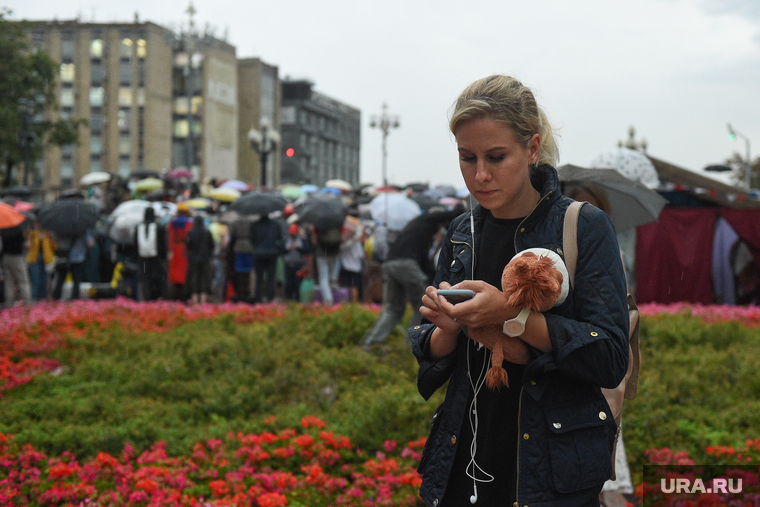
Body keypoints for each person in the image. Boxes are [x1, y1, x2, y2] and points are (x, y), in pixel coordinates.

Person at [411, 75, 629, 507]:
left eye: (496, 156)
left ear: (532, 147)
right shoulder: (461, 231)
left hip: (549, 469)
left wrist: (512, 317)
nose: (480, 174)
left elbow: (609, 357)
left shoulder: (582, 225)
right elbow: (429, 352)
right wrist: (446, 329)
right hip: (463, 455)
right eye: (466, 157)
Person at [361, 206, 462, 348]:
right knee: (423, 305)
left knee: (394, 309)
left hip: (390, 264)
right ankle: (412, 344)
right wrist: (462, 209)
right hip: (406, 265)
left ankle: (371, 343)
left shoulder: (417, 228)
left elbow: (424, 261)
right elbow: (448, 214)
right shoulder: (427, 219)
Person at [250, 214, 285, 303]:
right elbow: (280, 238)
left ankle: (258, 299)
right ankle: (270, 298)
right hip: (272, 253)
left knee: (259, 278)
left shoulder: (255, 225)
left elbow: (252, 239)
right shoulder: (275, 225)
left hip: (258, 253)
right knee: (271, 278)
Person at [135, 206, 167, 301]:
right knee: (158, 279)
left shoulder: (139, 227)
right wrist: (164, 257)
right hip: (156, 258)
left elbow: (135, 244)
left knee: (145, 280)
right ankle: (158, 297)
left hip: (142, 258)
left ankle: (146, 298)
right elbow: (163, 244)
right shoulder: (159, 227)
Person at [52, 229, 94, 301]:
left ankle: (56, 299)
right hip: (77, 258)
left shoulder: (62, 228)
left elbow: (55, 242)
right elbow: (90, 243)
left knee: (60, 280)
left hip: (64, 258)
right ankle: (75, 299)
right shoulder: (83, 229)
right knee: (76, 281)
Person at [185, 214, 215, 304]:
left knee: (194, 279)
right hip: (205, 260)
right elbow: (211, 246)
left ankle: (194, 301)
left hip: (193, 260)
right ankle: (203, 301)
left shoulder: (191, 232)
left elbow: (188, 246)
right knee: (205, 280)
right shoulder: (207, 232)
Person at [167, 203, 193, 300]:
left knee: (174, 274)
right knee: (184, 273)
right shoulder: (189, 223)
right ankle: (184, 295)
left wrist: (170, 250)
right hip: (184, 251)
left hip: (174, 250)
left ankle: (175, 295)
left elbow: (170, 238)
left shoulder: (172, 223)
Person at [1, 227, 33, 307]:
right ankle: (27, 302)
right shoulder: (18, 231)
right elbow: (27, 246)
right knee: (23, 281)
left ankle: (9, 303)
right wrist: (28, 237)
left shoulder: (4, 230)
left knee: (9, 282)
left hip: (6, 257)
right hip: (17, 257)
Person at [26, 222, 57, 301]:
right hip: (34, 259)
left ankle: (42, 300)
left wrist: (51, 237)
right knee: (35, 280)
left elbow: (55, 246)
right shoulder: (33, 232)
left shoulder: (48, 233)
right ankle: (33, 299)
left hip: (46, 259)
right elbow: (28, 245)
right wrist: (32, 235)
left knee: (44, 280)